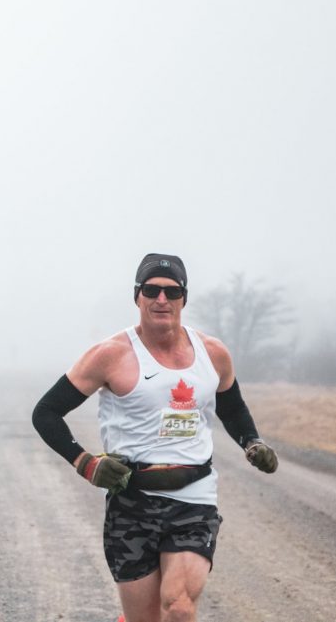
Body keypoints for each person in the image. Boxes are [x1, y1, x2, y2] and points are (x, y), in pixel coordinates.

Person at [31, 253, 279, 622]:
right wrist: (86, 463)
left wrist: (252, 441)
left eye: (171, 291)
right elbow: (46, 412)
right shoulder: (110, 354)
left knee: (178, 607)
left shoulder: (213, 354)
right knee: (143, 618)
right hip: (131, 501)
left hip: (194, 499)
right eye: (151, 290)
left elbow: (232, 406)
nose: (161, 299)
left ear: (183, 298)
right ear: (138, 297)